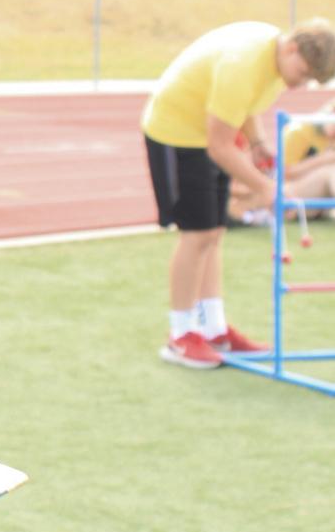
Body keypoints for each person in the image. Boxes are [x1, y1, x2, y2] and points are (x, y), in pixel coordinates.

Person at [141, 18, 335, 367]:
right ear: (291, 47)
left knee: (214, 233)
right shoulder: (243, 63)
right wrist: (265, 188)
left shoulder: (272, 65)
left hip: (203, 134)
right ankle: (180, 336)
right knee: (196, 234)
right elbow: (220, 145)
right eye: (302, 72)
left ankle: (214, 329)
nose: (300, 83)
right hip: (176, 133)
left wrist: (258, 142)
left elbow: (245, 107)